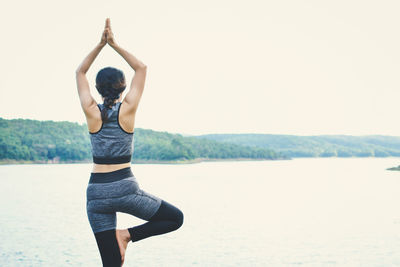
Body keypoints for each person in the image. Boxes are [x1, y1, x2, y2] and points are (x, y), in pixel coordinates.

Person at [75, 18, 184, 267]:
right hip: (125, 190)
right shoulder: (128, 110)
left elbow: (79, 72)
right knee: (175, 218)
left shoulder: (92, 111)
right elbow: (142, 68)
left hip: (96, 194)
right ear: (123, 88)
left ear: (98, 89)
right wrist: (114, 44)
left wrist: (99, 45)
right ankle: (127, 235)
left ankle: (122, 238)